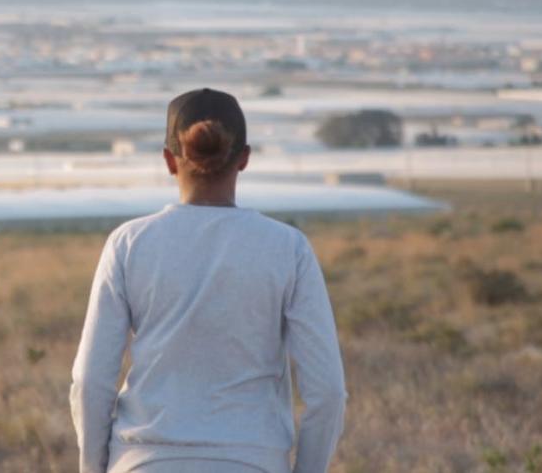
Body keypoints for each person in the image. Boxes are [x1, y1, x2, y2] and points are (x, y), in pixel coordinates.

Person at [69, 88, 347, 473]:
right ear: (244, 159)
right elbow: (328, 392)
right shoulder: (289, 248)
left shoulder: (129, 244)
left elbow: (90, 381)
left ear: (169, 159)